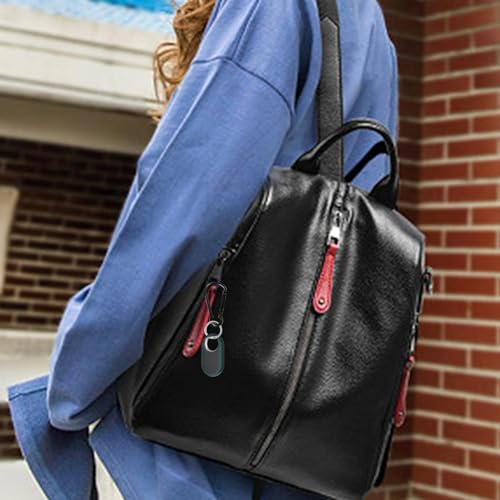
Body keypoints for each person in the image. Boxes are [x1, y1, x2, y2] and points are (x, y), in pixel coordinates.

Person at [7, 0, 398, 498]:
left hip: (199, 417)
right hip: (310, 435)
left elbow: (186, 198)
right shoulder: (372, 29)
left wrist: (75, 377)